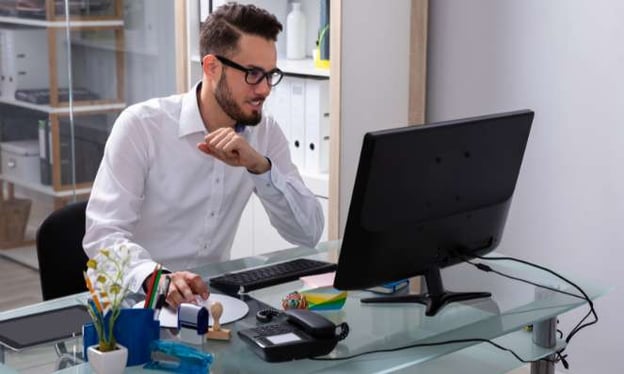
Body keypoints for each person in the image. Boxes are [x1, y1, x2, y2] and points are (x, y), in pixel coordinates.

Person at [83, 3, 324, 308]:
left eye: (270, 75)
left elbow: (309, 233)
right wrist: (158, 279)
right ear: (212, 67)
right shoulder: (142, 127)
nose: (265, 90)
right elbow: (102, 236)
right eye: (252, 74)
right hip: (134, 307)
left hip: (212, 307)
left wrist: (260, 167)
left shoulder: (265, 132)